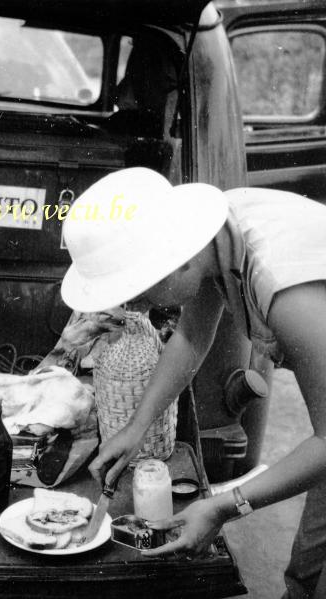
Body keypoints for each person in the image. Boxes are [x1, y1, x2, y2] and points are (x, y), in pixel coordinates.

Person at [59, 166, 326, 599]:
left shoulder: (283, 284)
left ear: (175, 263)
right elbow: (191, 336)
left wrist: (224, 505)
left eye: (140, 293)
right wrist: (135, 428)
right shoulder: (209, 241)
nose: (138, 306)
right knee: (307, 573)